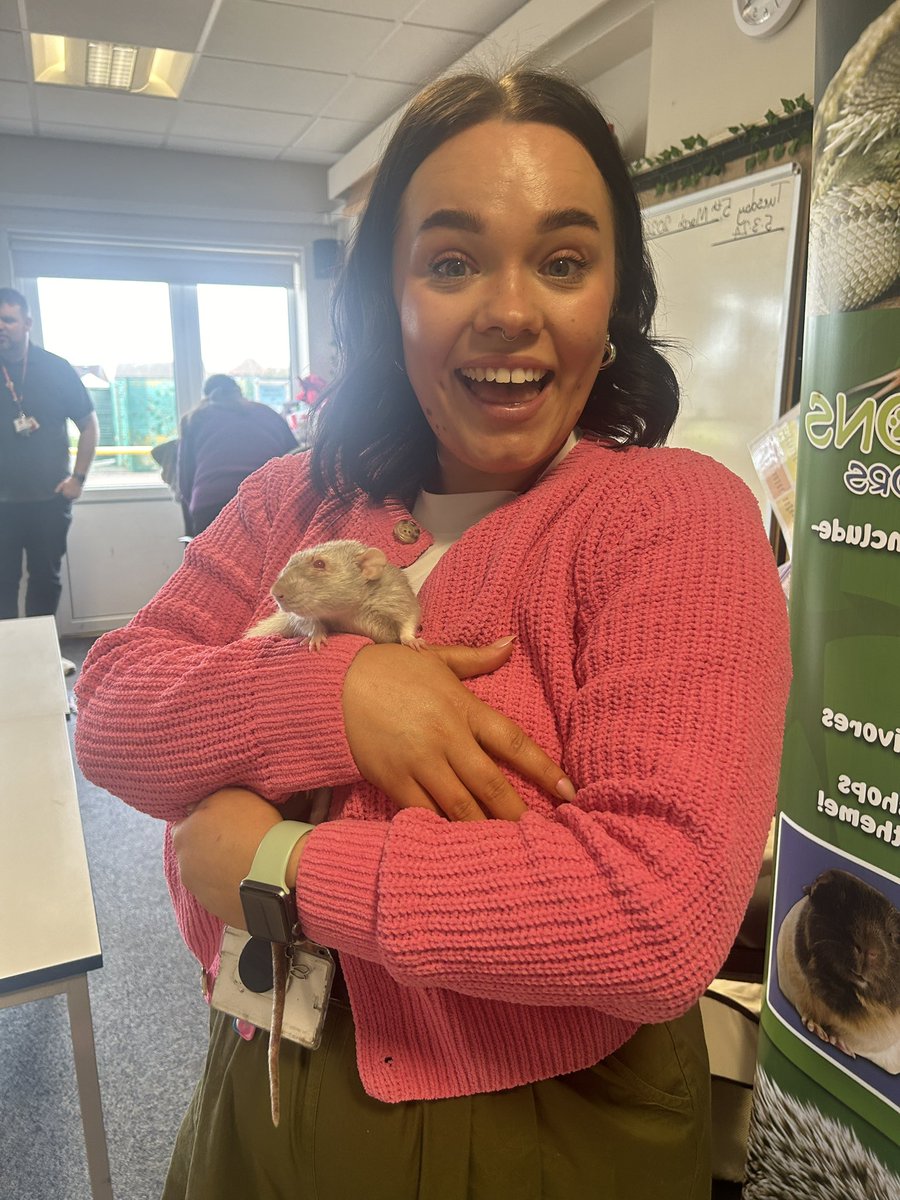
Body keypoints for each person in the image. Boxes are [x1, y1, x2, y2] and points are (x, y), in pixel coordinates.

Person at [74, 67, 792, 1199]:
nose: (509, 309)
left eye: (563, 261)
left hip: (533, 1129)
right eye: (452, 262)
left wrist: (280, 869)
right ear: (388, 298)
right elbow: (113, 706)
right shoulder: (294, 499)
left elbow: (657, 910)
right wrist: (339, 696)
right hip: (255, 1065)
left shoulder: (674, 518)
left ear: (615, 297)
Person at [0, 286, 99, 675]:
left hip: (49, 500)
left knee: (45, 579)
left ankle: (41, 656)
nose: (1, 327)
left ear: (27, 323)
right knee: (3, 581)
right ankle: (8, 661)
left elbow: (89, 424)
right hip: (2, 505)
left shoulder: (56, 368)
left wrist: (78, 478)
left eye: (7, 319)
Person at [176, 373, 298, 536]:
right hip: (266, 504)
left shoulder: (195, 418)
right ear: (239, 391)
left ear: (206, 396)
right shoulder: (268, 413)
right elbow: (296, 461)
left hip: (210, 506)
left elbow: (185, 481)